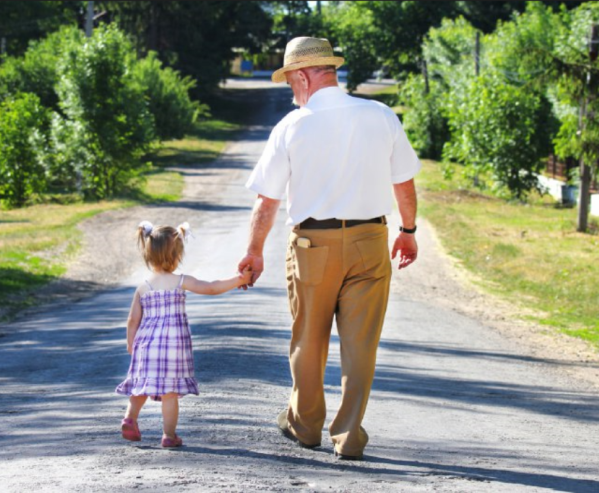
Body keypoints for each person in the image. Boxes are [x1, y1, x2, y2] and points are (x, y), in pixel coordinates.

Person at [238, 37, 421, 460]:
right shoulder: (380, 115)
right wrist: (408, 230)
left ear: (302, 75)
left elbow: (267, 201)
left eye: (290, 81)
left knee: (308, 338)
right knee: (361, 344)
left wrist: (254, 251)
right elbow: (404, 181)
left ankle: (305, 426)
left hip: (311, 244)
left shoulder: (292, 125)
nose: (290, 90)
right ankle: (349, 435)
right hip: (370, 240)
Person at [116, 221, 252, 447]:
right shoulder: (180, 281)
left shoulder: (143, 287)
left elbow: (133, 320)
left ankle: (130, 418)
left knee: (141, 385)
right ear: (177, 255)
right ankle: (169, 436)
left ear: (148, 255)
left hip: (146, 346)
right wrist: (239, 279)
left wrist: (131, 345)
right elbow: (211, 287)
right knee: (170, 393)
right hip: (173, 348)